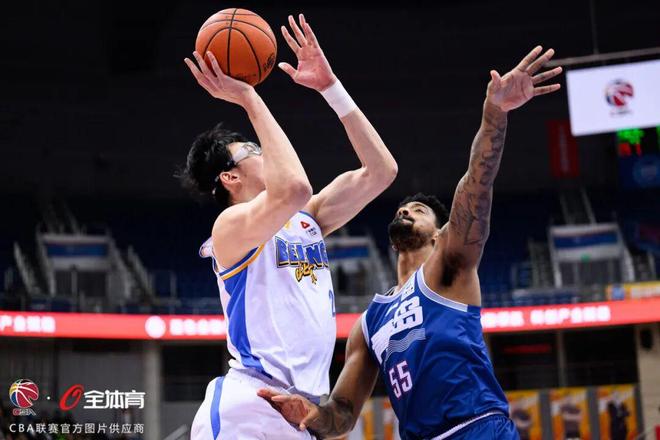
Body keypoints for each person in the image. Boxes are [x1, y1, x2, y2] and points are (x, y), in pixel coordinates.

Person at [260, 46, 562, 439]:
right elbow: (343, 414)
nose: (406, 211)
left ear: (440, 233)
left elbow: (477, 183)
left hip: (476, 428)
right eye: (403, 209)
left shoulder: (448, 268)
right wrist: (312, 413)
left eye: (418, 210)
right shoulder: (369, 323)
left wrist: (494, 115)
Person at [181, 13, 397, 440]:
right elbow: (295, 187)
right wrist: (248, 97)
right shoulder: (229, 228)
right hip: (250, 404)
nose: (264, 151)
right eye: (252, 149)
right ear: (230, 176)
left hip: (302, 411)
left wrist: (331, 89)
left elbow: (381, 171)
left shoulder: (305, 219)